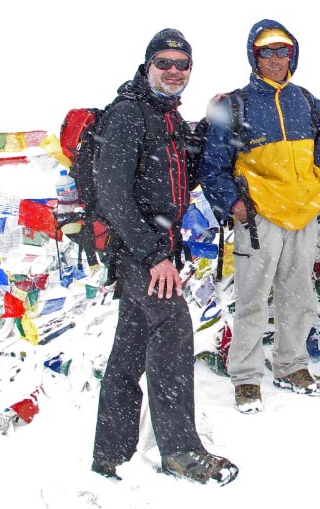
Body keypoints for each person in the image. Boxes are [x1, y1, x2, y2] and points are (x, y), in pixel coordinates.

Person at [91, 29, 238, 485]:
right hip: (141, 250)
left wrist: (213, 124)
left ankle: (109, 455)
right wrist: (154, 254)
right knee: (174, 333)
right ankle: (180, 451)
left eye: (182, 65)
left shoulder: (167, 117)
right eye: (165, 63)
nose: (174, 71)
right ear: (148, 65)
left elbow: (184, 173)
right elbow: (113, 195)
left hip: (152, 248)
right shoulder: (128, 115)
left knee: (129, 352)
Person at [200, 20, 320, 414]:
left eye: (282, 51)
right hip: (258, 218)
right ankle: (245, 376)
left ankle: (291, 366)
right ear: (253, 55)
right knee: (253, 299)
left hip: (304, 215)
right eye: (267, 52)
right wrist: (233, 205)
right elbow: (213, 165)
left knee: (300, 296)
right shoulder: (235, 104)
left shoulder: (306, 101)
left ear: (292, 54)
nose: (276, 59)